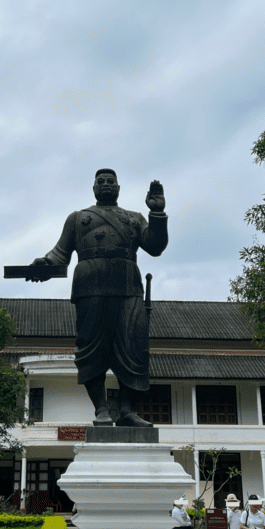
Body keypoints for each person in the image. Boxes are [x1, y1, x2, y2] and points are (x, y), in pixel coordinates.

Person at [27, 170, 168, 427]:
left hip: (128, 287)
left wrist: (156, 214)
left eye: (110, 181)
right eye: (100, 181)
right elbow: (60, 254)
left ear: (118, 187)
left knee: (134, 347)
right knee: (92, 348)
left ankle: (127, 410)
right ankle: (101, 409)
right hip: (90, 287)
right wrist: (43, 265)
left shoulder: (133, 218)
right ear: (93, 188)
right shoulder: (78, 218)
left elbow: (155, 247)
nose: (105, 185)